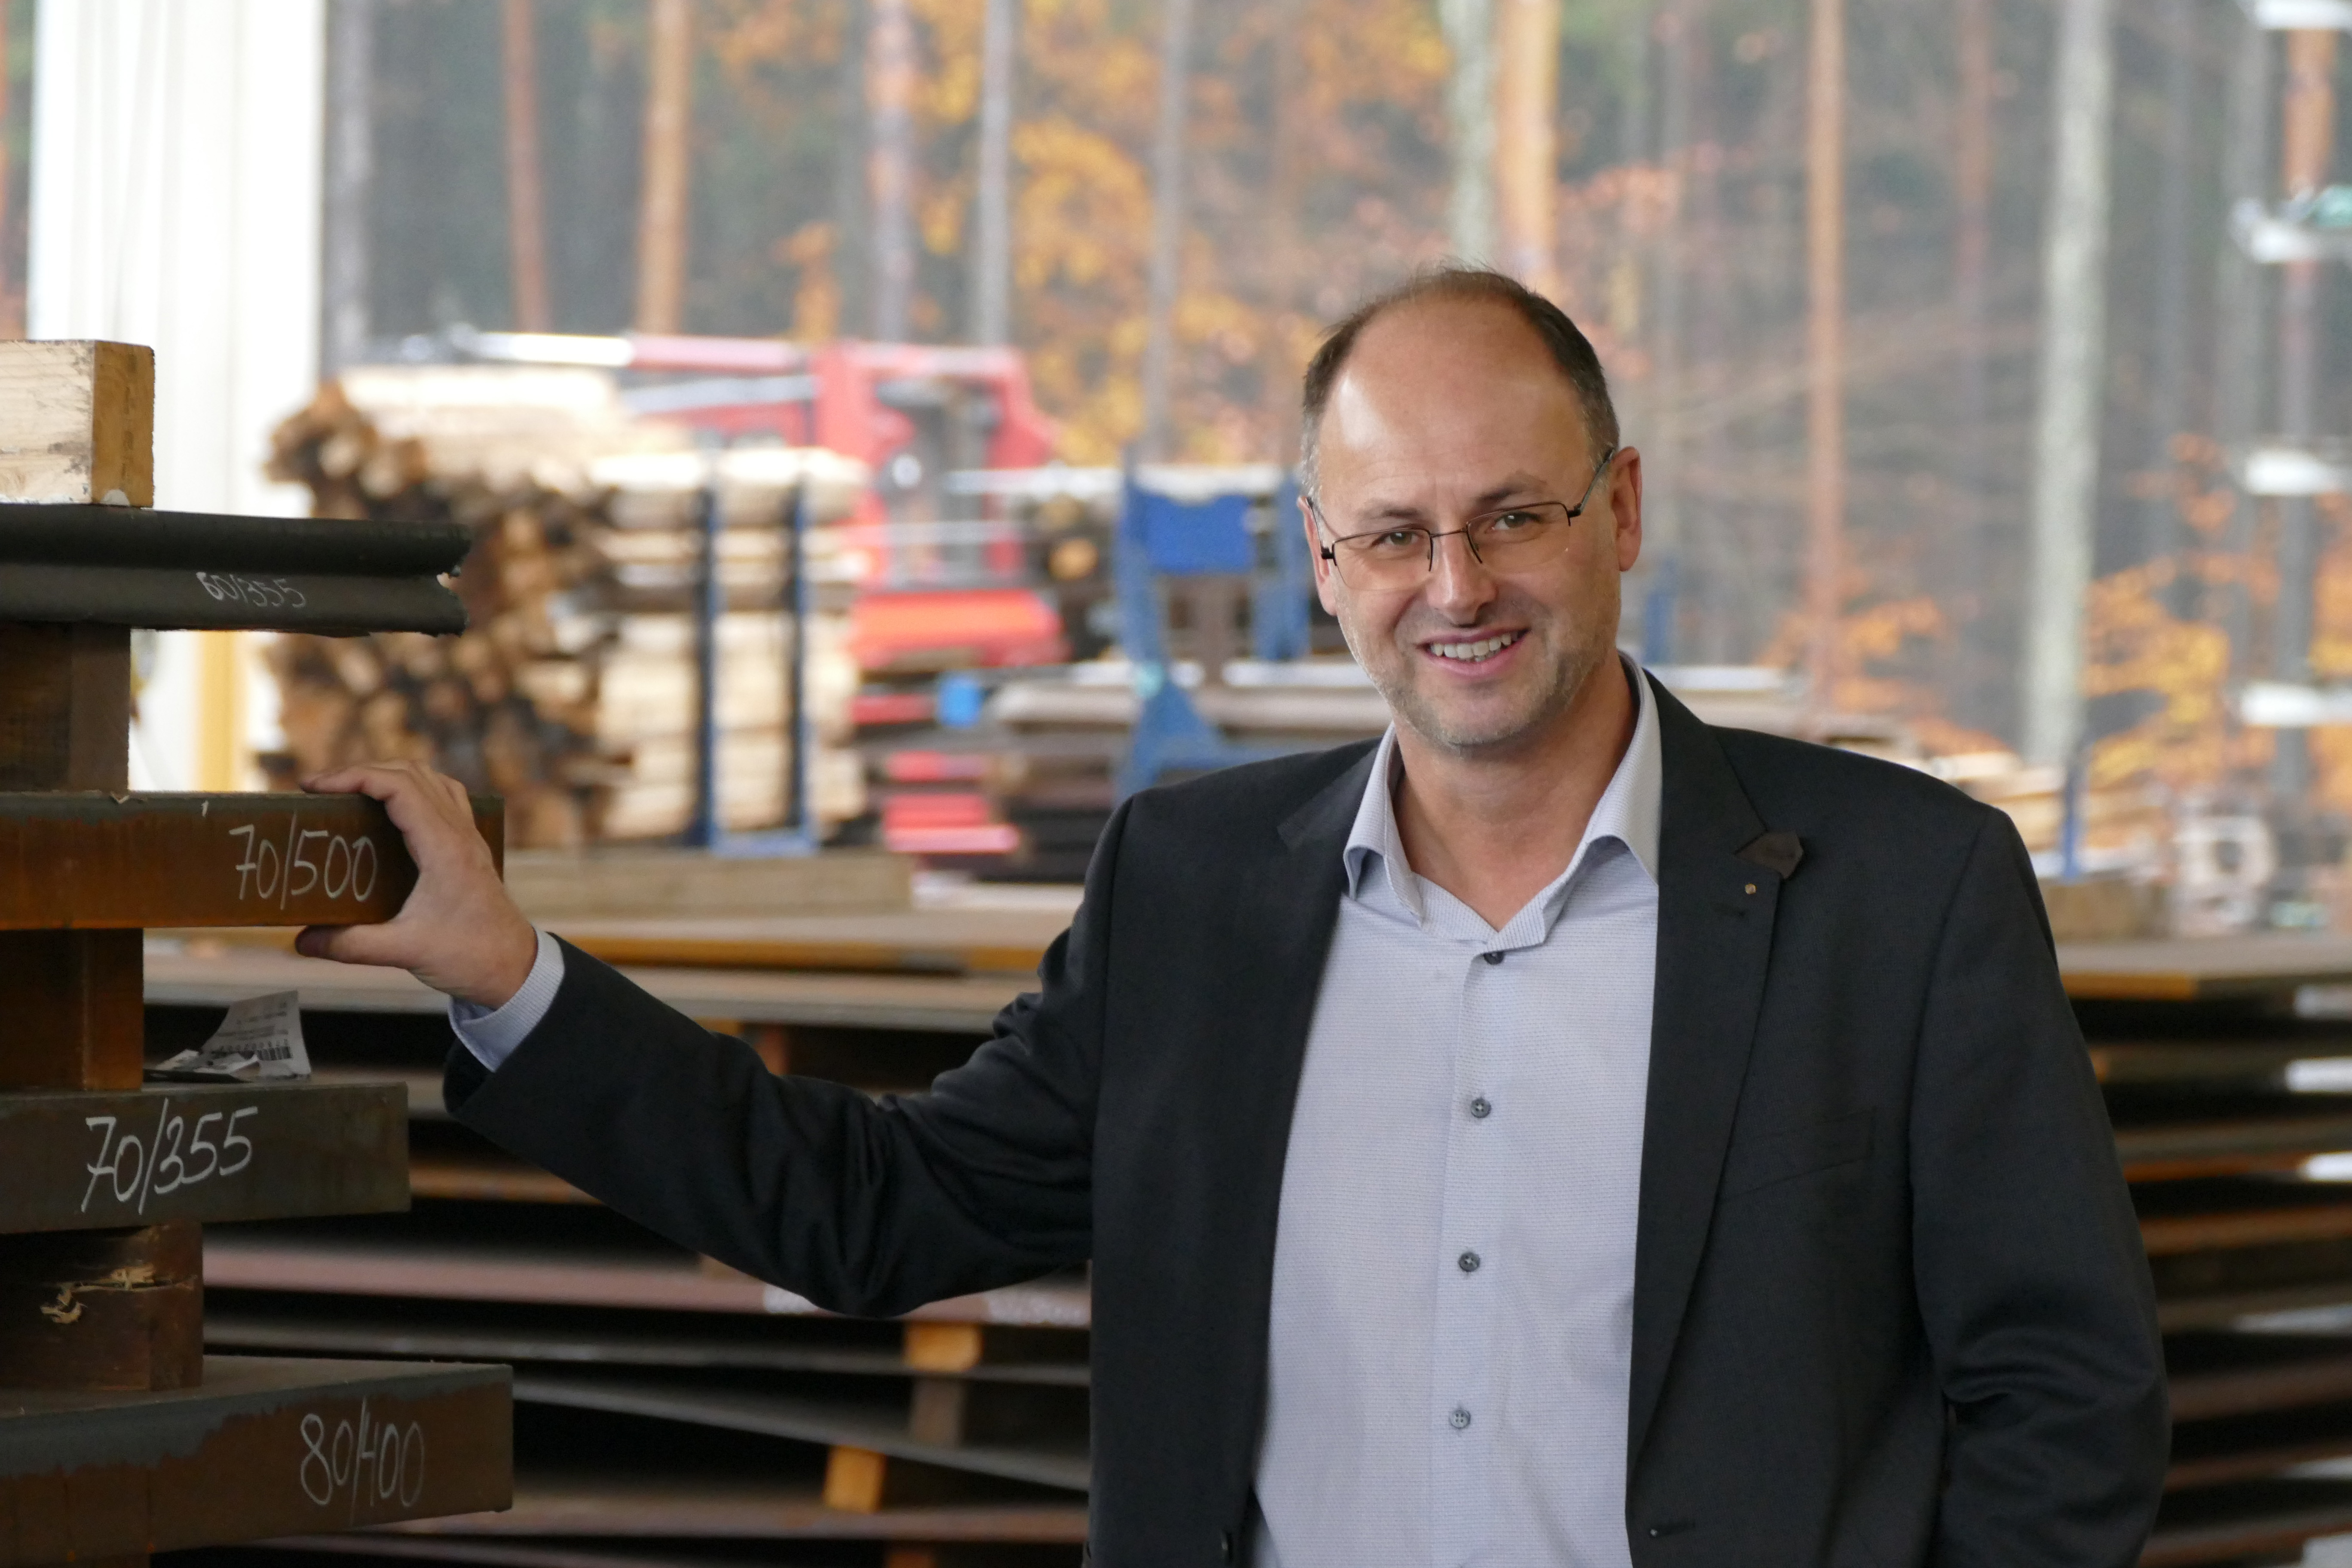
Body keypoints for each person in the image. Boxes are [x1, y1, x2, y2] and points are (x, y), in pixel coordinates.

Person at [300, 267, 2167, 1568]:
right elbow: (870, 1210)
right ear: (1320, 557)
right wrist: (504, 975)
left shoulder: (1901, 893)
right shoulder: (1192, 897)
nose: (1457, 584)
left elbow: (2067, 1392)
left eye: (1514, 516)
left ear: (1620, 512)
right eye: (1395, 532)